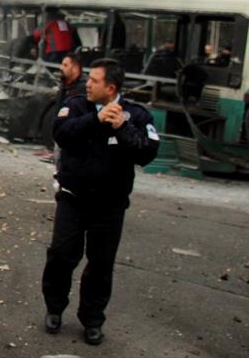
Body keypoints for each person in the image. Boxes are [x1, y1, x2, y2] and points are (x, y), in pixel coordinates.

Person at [43, 58, 159, 346]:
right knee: (61, 255)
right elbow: (60, 133)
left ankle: (92, 320)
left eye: (94, 81)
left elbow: (147, 153)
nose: (88, 84)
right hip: (73, 198)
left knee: (101, 264)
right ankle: (54, 308)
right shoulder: (76, 105)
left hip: (110, 205)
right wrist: (96, 120)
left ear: (111, 88)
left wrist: (122, 127)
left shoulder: (136, 115)